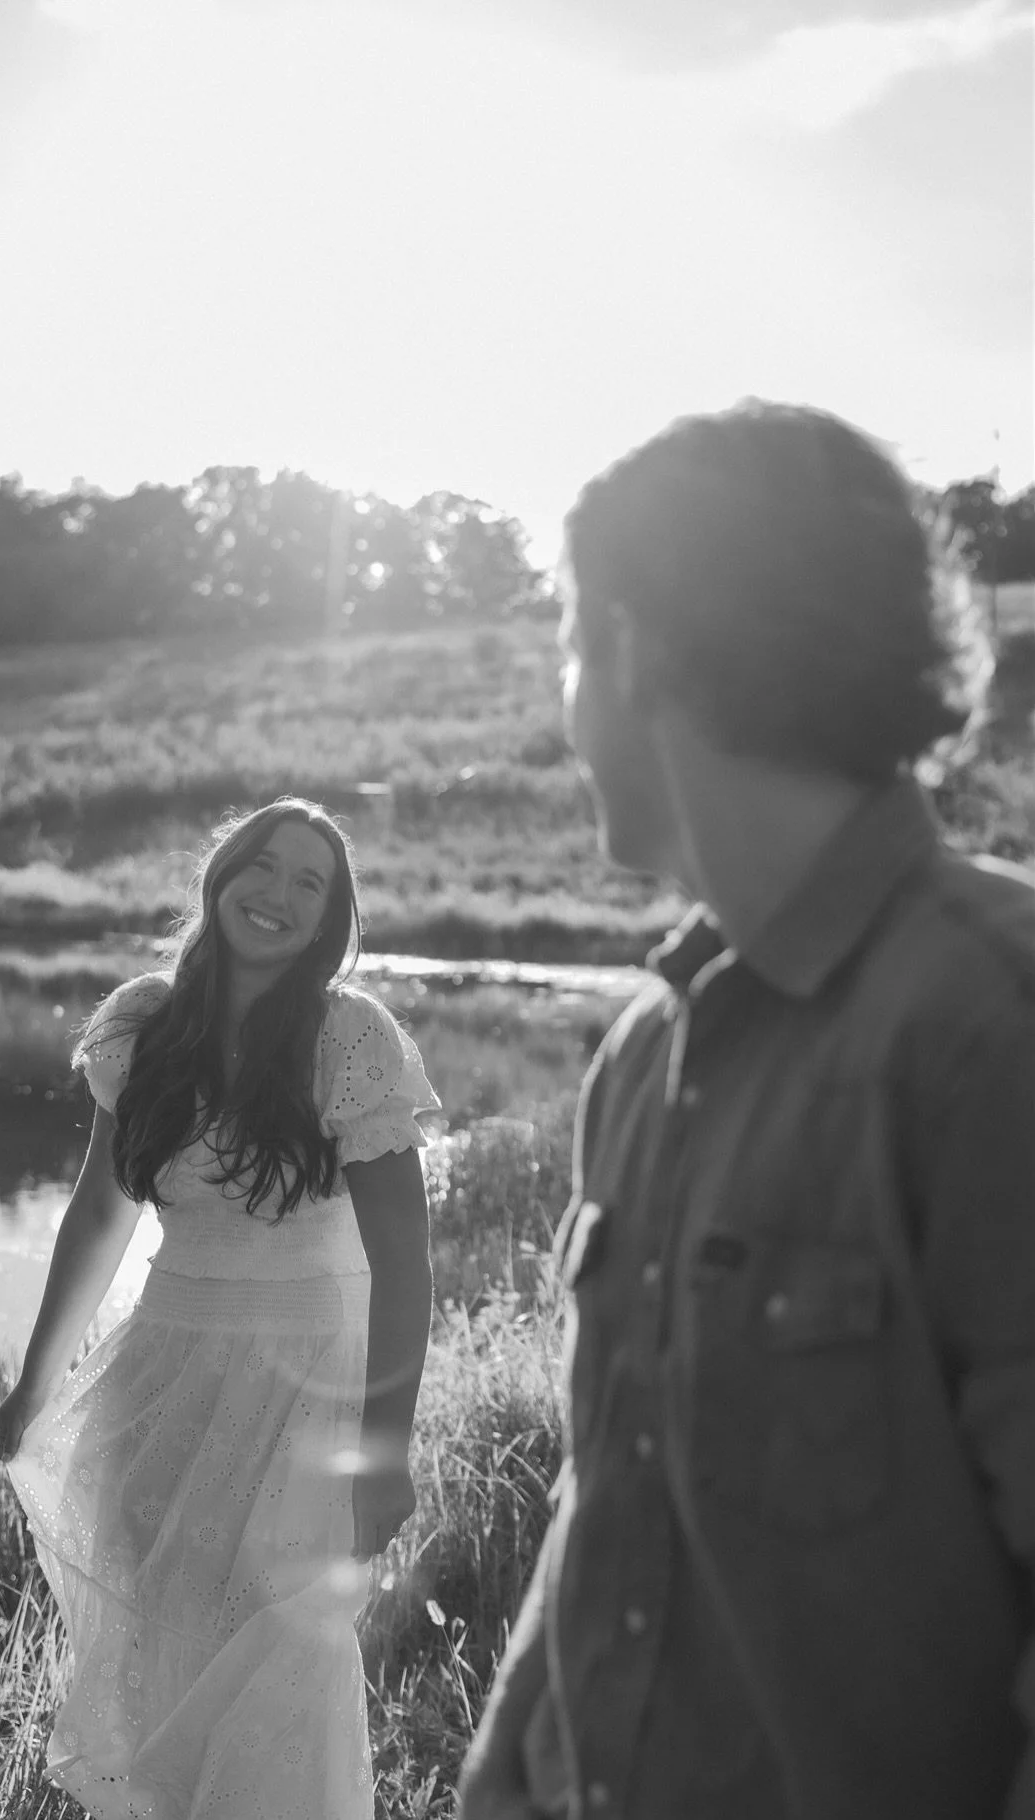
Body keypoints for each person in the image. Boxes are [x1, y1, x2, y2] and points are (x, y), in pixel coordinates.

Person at [458, 401, 1035, 1820]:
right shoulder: (641, 1060)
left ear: (635, 646)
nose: (568, 711)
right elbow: (611, 1497)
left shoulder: (994, 1031)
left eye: (571, 646)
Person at [0, 796, 439, 1817]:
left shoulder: (351, 1037)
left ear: (327, 919)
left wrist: (386, 1450)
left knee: (286, 1642)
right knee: (167, 1635)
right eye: (262, 866)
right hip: (164, 1373)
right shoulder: (143, 1024)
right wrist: (35, 1378)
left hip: (306, 1384)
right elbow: (99, 1212)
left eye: (308, 883)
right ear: (221, 876)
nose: (277, 894)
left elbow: (403, 1263)